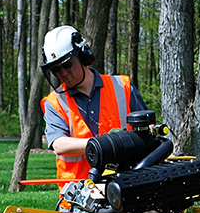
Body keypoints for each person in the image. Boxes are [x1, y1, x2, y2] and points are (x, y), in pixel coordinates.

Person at [40, 25, 147, 181]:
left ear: (84, 56)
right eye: (56, 69)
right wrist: (102, 144)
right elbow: (59, 144)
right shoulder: (55, 102)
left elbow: (147, 129)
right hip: (78, 193)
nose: (63, 73)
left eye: (67, 65)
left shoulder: (122, 87)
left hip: (125, 184)